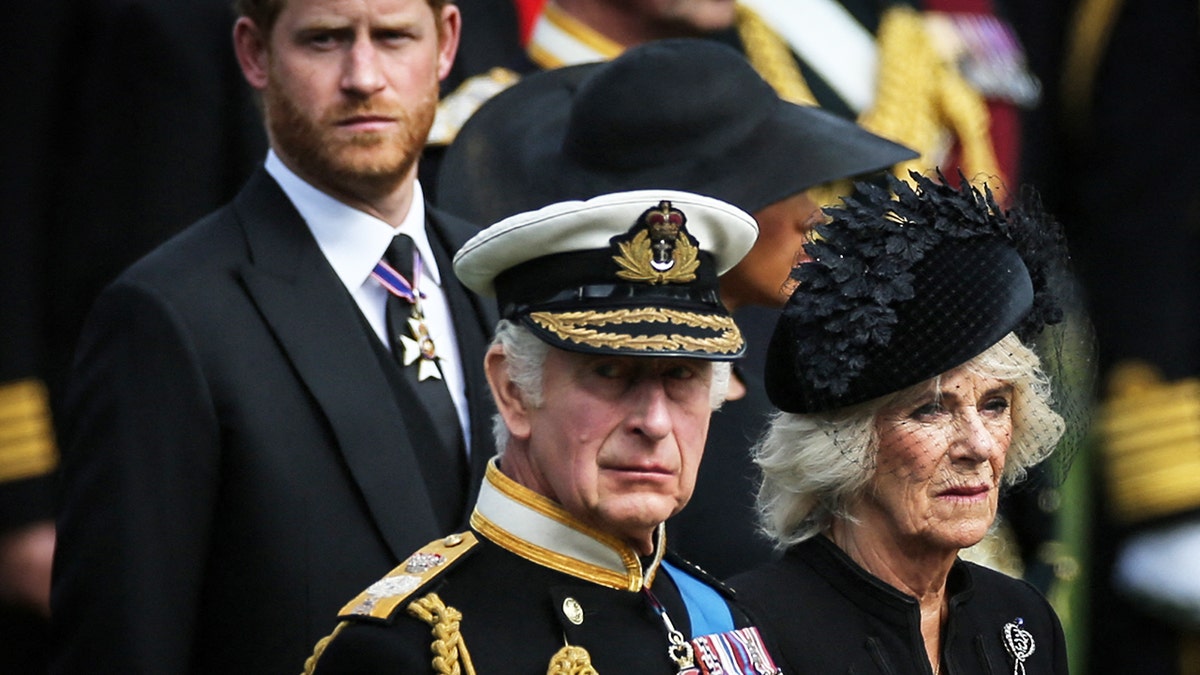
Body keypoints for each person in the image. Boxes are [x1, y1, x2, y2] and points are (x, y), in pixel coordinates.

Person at [50, 0, 498, 672]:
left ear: (446, 44)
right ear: (254, 53)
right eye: (325, 40)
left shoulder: (501, 281)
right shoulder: (167, 319)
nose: (364, 75)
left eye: (394, 36)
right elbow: (123, 647)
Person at [436, 38, 917, 577]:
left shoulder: (791, 384)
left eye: (684, 378)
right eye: (612, 371)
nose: (816, 216)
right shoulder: (544, 406)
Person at [303, 189, 784, 674]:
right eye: (611, 373)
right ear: (513, 390)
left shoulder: (718, 616)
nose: (655, 423)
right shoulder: (410, 651)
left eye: (681, 376)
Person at [728, 172, 1083, 674]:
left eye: (995, 405)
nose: (978, 446)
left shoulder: (1022, 620)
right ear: (845, 445)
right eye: (931, 409)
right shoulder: (752, 630)